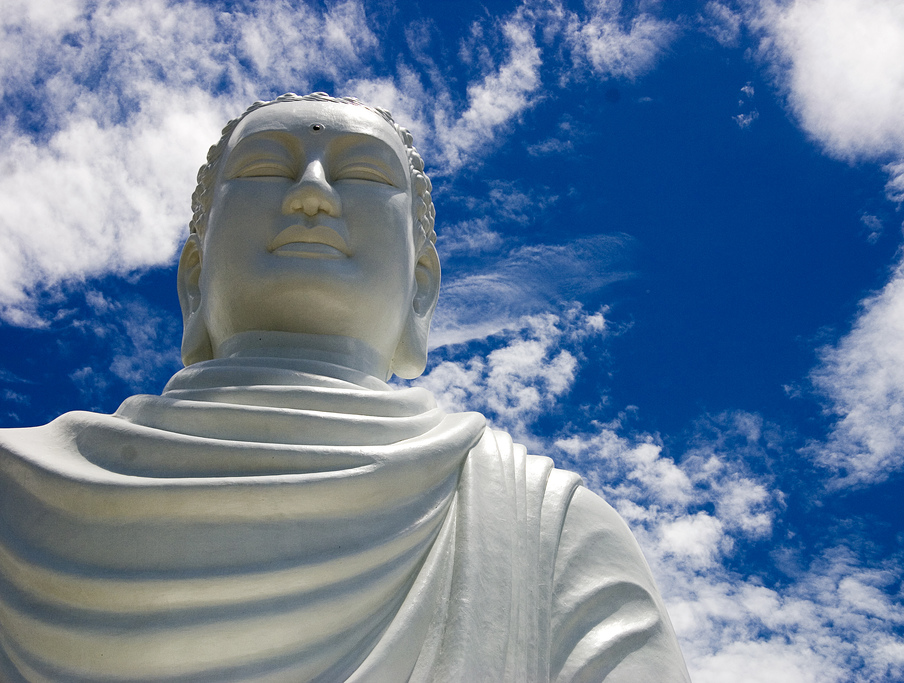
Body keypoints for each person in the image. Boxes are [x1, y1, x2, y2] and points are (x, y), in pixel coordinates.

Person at [0, 93, 690, 682]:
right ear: (192, 277)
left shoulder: (546, 530)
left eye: (361, 174)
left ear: (421, 288)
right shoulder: (18, 485)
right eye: (266, 167)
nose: (311, 193)